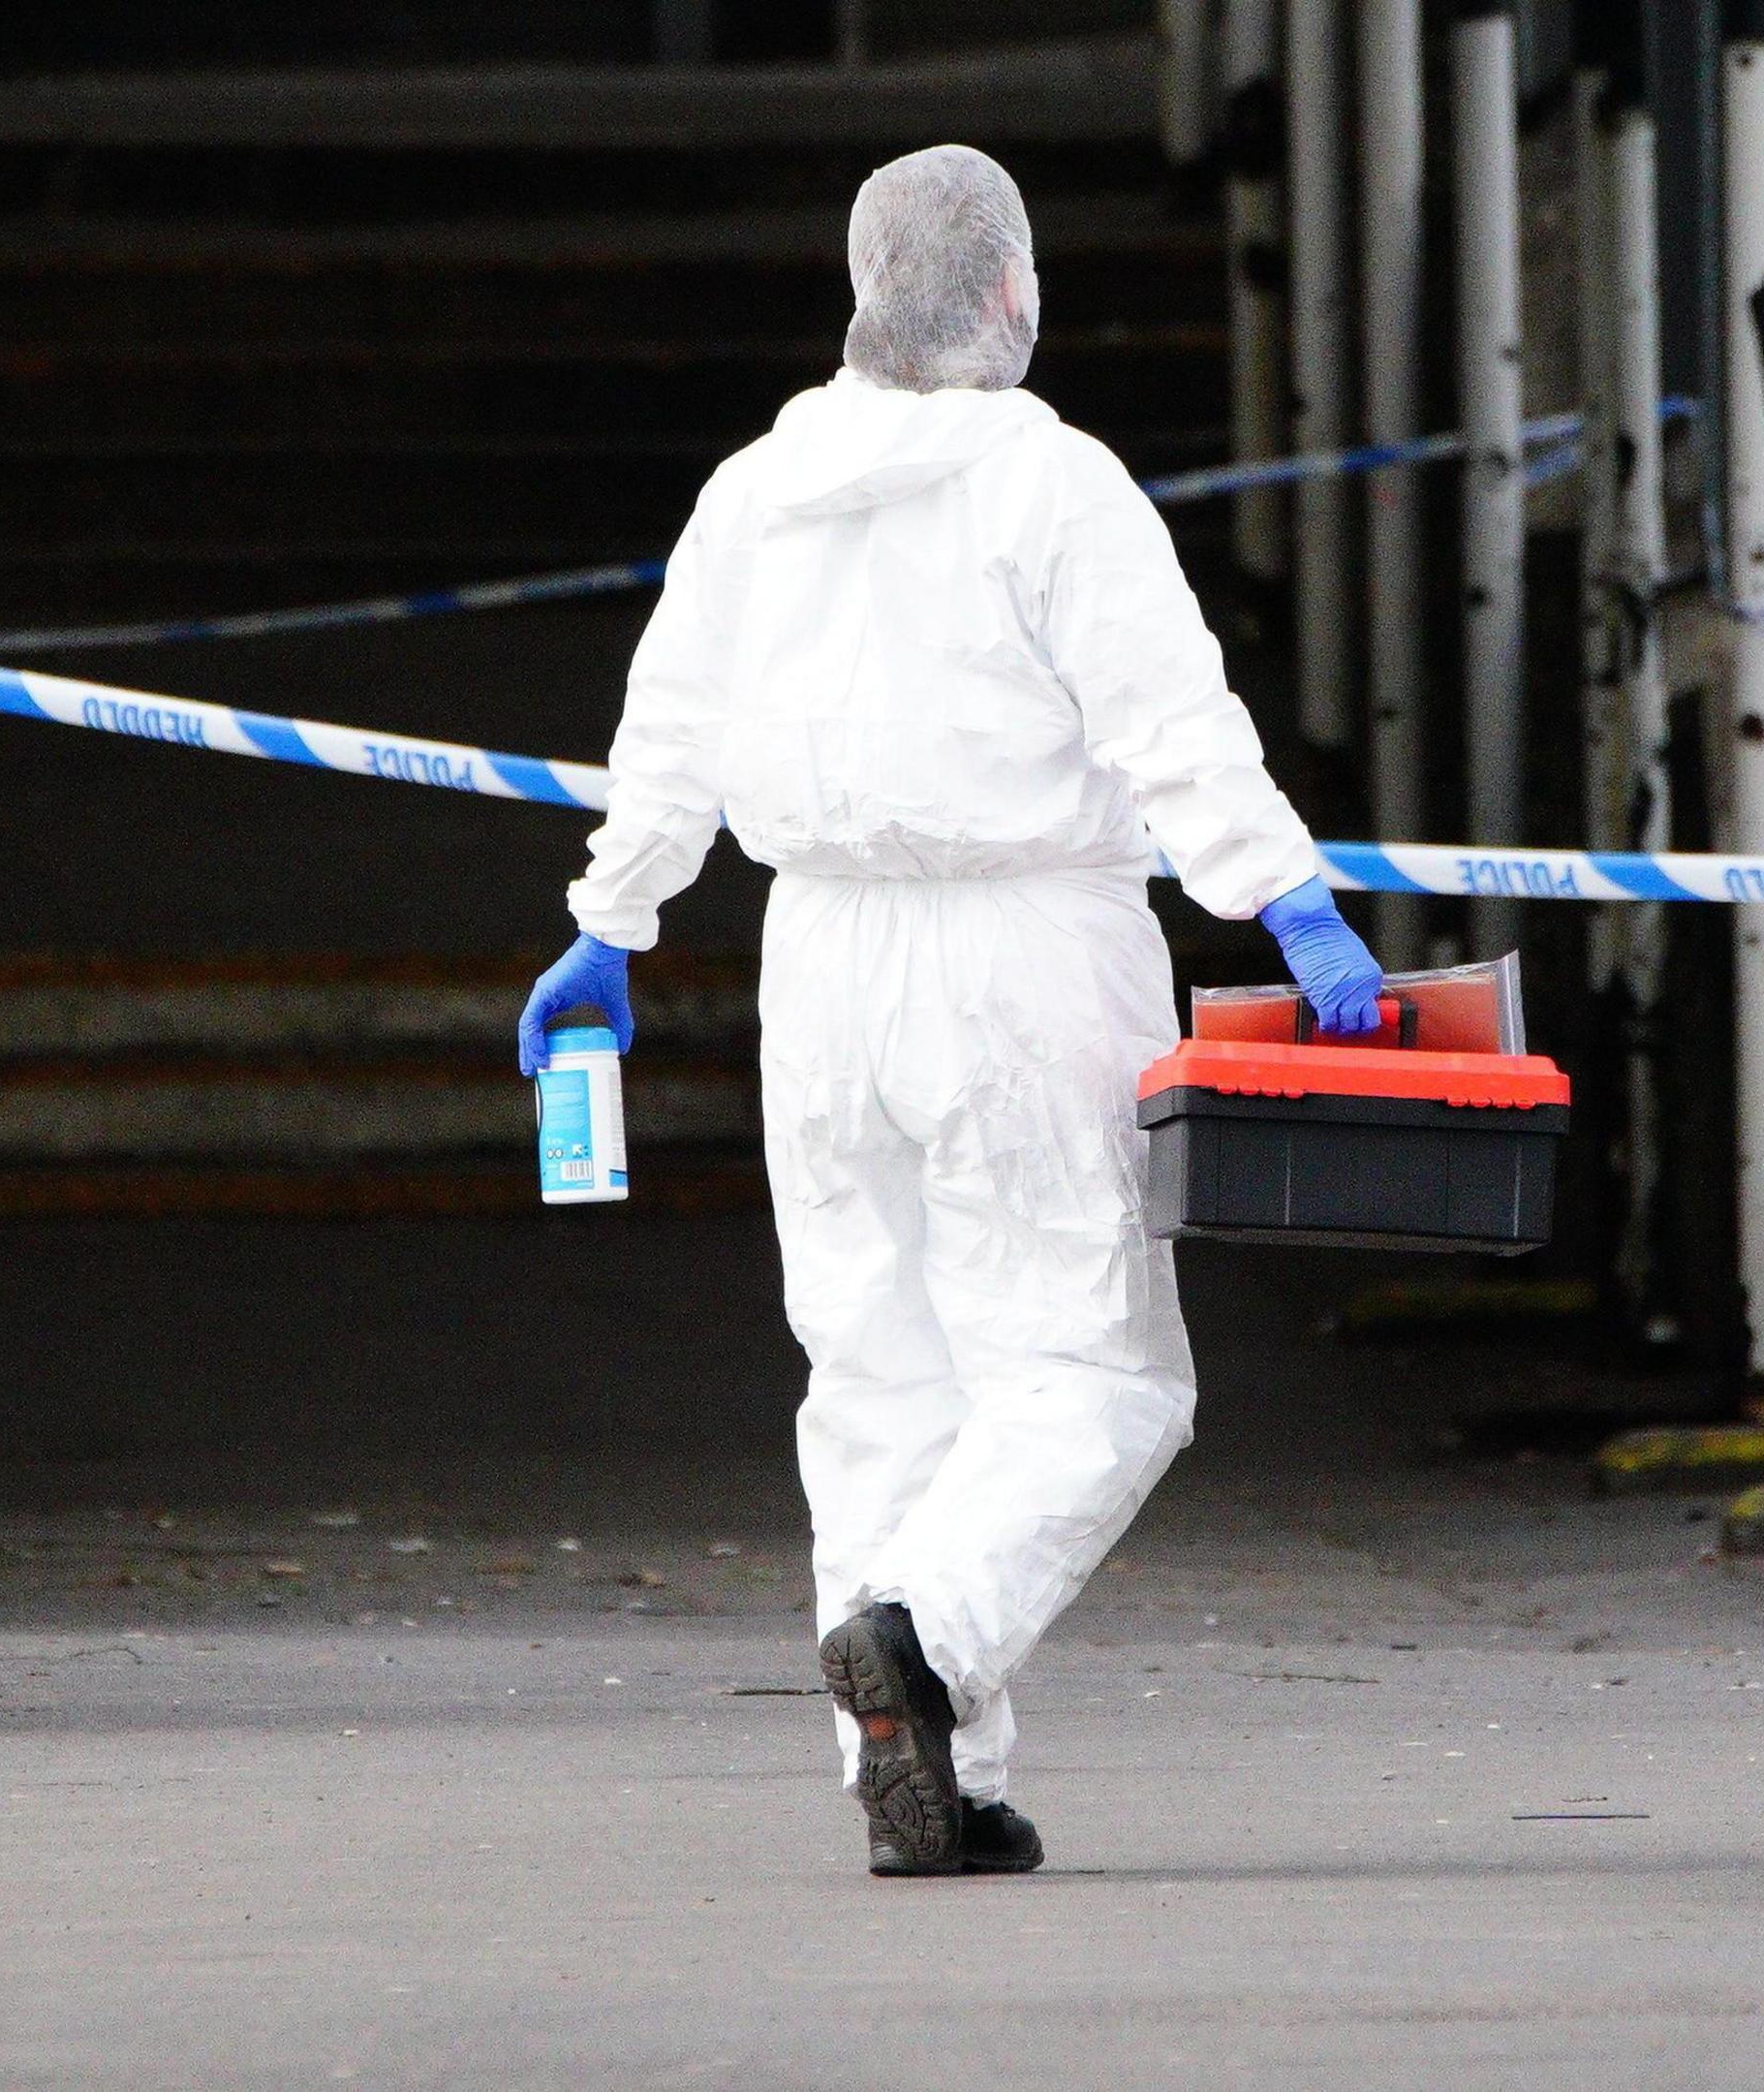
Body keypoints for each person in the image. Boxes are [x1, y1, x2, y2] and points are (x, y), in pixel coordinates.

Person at [518, 143, 1388, 1878]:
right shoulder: (1050, 483)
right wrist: (1294, 910)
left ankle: (923, 1779)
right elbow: (1174, 721)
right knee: (1095, 1371)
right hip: (1026, 960)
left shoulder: (756, 488)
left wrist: (608, 928)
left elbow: (667, 733)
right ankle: (928, 1643)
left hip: (820, 963)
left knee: (876, 1380)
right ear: (1008, 294)